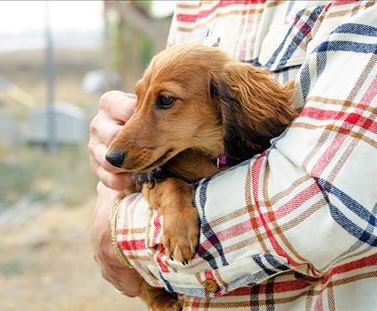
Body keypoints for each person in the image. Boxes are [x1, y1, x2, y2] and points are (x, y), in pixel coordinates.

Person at [89, 1, 377, 310]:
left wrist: (118, 230)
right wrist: (113, 181)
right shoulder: (194, 5)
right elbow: (145, 180)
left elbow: (324, 206)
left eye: (166, 100)